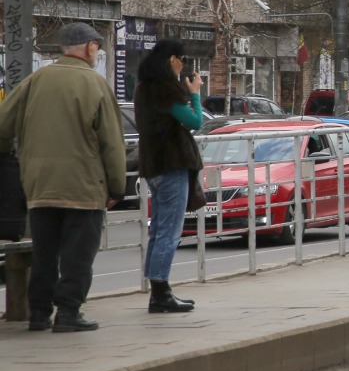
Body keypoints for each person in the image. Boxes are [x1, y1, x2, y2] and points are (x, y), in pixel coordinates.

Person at [0, 23, 126, 332]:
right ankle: (69, 313)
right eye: (96, 46)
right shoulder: (95, 85)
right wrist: (117, 186)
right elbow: (112, 142)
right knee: (77, 255)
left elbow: (3, 126)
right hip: (84, 188)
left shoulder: (35, 80)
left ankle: (39, 313)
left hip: (40, 186)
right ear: (89, 48)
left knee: (44, 252)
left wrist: (18, 162)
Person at [134, 40, 202, 314]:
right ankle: (161, 292)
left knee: (159, 229)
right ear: (172, 59)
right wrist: (194, 93)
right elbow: (195, 121)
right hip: (172, 165)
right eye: (182, 59)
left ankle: (158, 291)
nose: (184, 64)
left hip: (153, 166)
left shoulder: (142, 89)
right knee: (170, 232)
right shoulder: (165, 90)